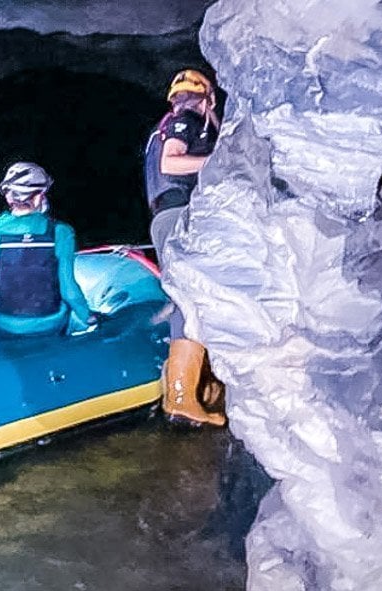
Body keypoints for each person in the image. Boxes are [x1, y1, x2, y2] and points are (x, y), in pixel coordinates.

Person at [143, 68, 226, 427]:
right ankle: (181, 396)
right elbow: (171, 162)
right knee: (191, 298)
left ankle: (196, 387)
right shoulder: (188, 118)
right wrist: (224, 163)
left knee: (188, 297)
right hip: (179, 213)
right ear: (208, 98)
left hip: (165, 214)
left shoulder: (163, 126)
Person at [0, 162, 96, 337]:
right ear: (39, 197)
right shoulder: (61, 232)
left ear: (9, 198)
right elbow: (69, 291)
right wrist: (88, 317)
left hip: (4, 324)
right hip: (52, 322)